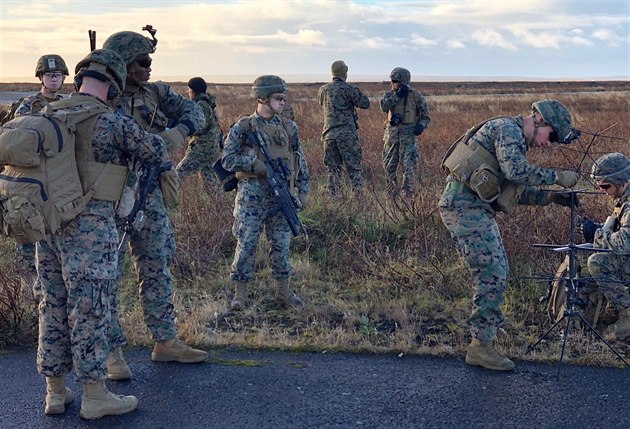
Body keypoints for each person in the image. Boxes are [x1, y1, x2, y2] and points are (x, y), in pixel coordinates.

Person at [36, 48, 167, 419]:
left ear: (77, 82)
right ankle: (95, 394)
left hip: (49, 228)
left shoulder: (50, 114)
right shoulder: (113, 122)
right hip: (90, 230)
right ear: (112, 88)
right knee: (91, 307)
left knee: (53, 304)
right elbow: (156, 152)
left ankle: (55, 392)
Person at [439, 99, 580, 371]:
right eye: (551, 135)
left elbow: (514, 190)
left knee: (498, 270)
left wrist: (551, 197)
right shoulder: (507, 129)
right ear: (539, 119)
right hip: (464, 208)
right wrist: (557, 177)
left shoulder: (513, 140)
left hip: (474, 209)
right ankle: (481, 346)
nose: (549, 143)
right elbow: (515, 172)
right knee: (492, 273)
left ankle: (487, 332)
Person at [102, 28, 207, 380]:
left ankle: (165, 340)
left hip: (152, 192)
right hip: (112, 196)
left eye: (150, 61)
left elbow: (196, 114)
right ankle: (112, 351)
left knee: (157, 266)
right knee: (108, 276)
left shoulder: (158, 92)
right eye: (142, 61)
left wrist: (175, 134)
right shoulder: (103, 95)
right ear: (125, 64)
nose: (149, 67)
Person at [221, 75, 310, 311]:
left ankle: (283, 291)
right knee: (247, 244)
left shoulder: (289, 127)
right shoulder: (243, 128)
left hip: (282, 196)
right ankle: (240, 294)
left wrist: (303, 190)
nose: (283, 103)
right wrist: (254, 165)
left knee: (282, 245)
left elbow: (300, 160)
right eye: (278, 98)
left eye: (284, 98)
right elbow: (227, 160)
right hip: (252, 196)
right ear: (261, 98)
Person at [11, 54, 69, 297]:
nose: (54, 80)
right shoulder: (27, 105)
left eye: (58, 76)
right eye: (49, 75)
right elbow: (19, 136)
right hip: (33, 173)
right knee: (30, 223)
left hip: (59, 175)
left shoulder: (69, 103)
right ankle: (28, 279)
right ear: (40, 78)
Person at [579, 153, 630, 340]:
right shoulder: (624, 200)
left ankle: (627, 316)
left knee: (598, 262)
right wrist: (599, 228)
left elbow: (625, 243)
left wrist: (598, 234)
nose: (602, 190)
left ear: (622, 181)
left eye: (605, 186)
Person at [317, 60, 370, 196]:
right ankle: (358, 199)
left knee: (333, 170)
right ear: (345, 73)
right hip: (347, 134)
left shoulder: (323, 89)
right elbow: (365, 103)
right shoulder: (350, 89)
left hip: (329, 134)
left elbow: (321, 103)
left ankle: (335, 200)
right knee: (354, 169)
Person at [380, 67, 431, 196]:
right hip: (392, 136)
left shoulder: (416, 96)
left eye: (395, 81)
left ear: (403, 81)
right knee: (390, 166)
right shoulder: (389, 95)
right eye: (391, 81)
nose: (392, 84)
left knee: (409, 167)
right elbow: (384, 107)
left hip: (408, 137)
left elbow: (426, 116)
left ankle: (408, 196)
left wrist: (421, 126)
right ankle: (391, 195)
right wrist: (397, 96)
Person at [176, 77, 223, 189]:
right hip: (210, 148)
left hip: (201, 149)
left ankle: (168, 201)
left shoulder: (201, 105)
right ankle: (219, 203)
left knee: (177, 175)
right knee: (209, 179)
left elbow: (200, 127)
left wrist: (183, 127)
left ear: (193, 91)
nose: (188, 92)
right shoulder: (207, 104)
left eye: (189, 89)